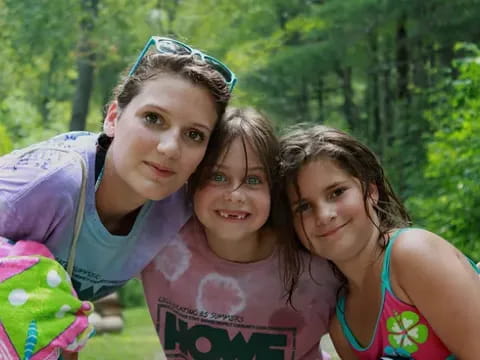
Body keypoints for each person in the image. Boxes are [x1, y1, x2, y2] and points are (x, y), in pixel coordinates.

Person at [0, 36, 234, 302]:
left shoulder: (180, 206)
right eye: (153, 118)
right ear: (113, 118)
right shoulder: (50, 181)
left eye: (194, 135)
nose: (170, 148)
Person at [141, 108, 339, 359]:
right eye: (218, 176)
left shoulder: (317, 262)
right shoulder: (158, 239)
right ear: (192, 179)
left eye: (254, 180)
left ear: (274, 189)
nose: (235, 194)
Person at [278, 125, 480, 360]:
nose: (324, 215)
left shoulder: (412, 254)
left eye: (337, 192)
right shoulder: (342, 325)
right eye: (304, 207)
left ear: (371, 191)